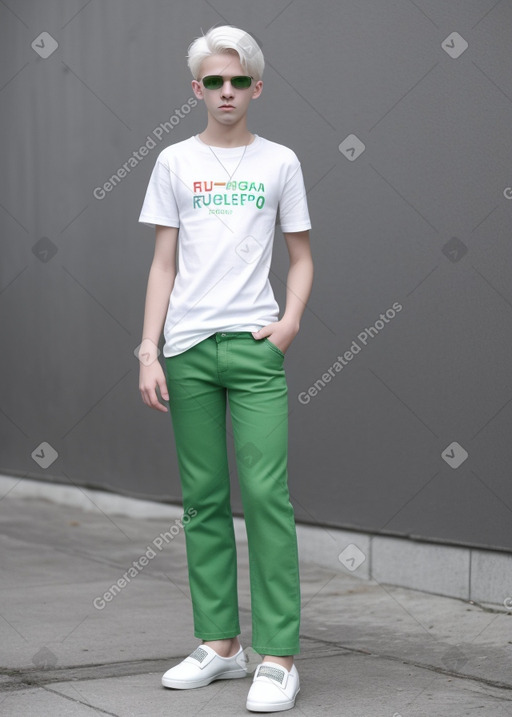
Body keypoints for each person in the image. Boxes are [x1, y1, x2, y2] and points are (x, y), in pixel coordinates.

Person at [138, 24, 313, 713]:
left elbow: (301, 256)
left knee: (268, 495)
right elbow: (162, 263)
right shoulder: (174, 162)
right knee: (203, 500)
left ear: (257, 87)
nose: (228, 91)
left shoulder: (281, 163)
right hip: (185, 349)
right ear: (197, 90)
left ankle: (279, 655)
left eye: (239, 80)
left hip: (254, 346)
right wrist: (149, 347)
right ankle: (221, 643)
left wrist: (289, 323)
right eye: (215, 81)